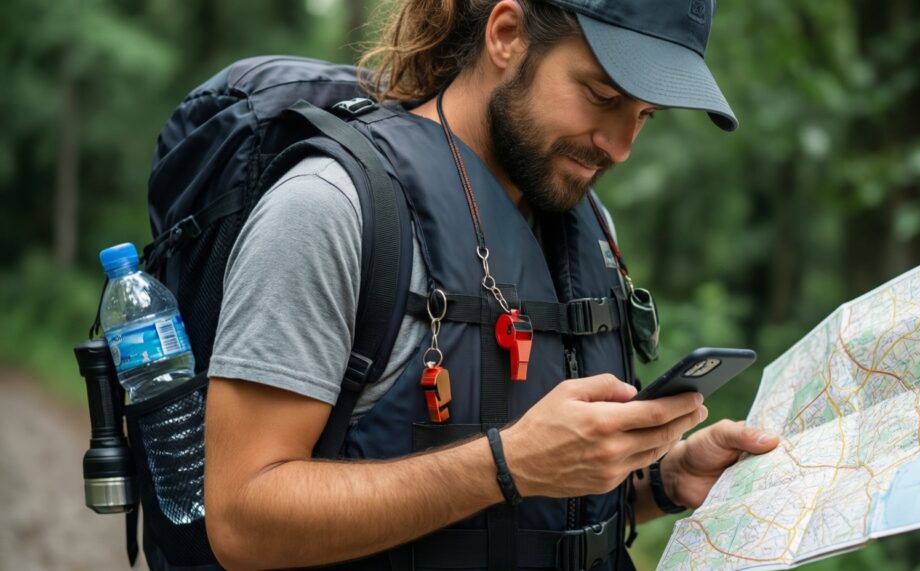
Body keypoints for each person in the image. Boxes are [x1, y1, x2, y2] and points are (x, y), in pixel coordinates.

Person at [203, 1, 781, 569]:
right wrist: (508, 465)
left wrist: (665, 479)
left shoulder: (579, 219)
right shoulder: (328, 209)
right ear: (507, 35)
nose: (622, 146)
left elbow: (532, 510)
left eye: (645, 114)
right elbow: (241, 521)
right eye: (602, 97)